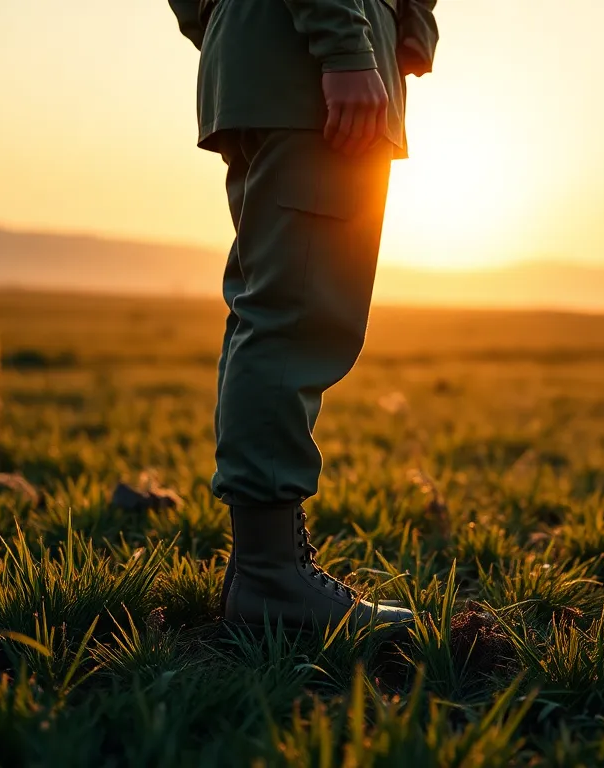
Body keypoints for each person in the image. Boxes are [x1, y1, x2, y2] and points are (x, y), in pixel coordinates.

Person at [167, 0, 438, 633]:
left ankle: (261, 571)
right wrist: (346, 45)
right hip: (314, 71)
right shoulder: (336, 48)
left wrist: (228, 22)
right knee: (294, 322)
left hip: (268, 64)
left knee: (267, 313)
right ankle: (271, 581)